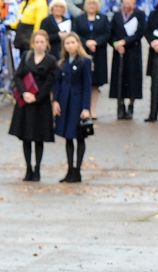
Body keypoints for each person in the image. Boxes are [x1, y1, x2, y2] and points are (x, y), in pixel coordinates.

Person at [8, 30, 57, 181]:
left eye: (42, 42)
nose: (39, 45)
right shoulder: (26, 56)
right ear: (33, 43)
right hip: (25, 103)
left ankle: (37, 169)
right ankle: (28, 168)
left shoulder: (51, 60)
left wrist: (37, 96)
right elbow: (17, 76)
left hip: (41, 104)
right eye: (37, 42)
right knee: (26, 137)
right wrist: (24, 93)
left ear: (46, 43)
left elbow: (50, 82)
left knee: (39, 137)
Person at [53, 32, 92, 183]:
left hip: (77, 102)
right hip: (64, 102)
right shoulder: (62, 62)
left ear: (78, 44)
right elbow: (57, 83)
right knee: (68, 137)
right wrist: (55, 101)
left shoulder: (84, 61)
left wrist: (86, 107)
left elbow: (87, 86)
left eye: (72, 42)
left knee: (79, 136)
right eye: (67, 43)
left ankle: (78, 170)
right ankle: (69, 170)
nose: (70, 45)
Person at [72, 0, 110, 119]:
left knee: (95, 83)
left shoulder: (103, 18)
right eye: (89, 4)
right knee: (82, 81)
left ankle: (93, 109)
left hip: (98, 54)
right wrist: (86, 43)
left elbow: (107, 33)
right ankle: (83, 108)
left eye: (94, 4)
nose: (91, 6)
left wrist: (96, 42)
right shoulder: (79, 19)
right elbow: (75, 34)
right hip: (82, 53)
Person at [109, 0, 145, 120]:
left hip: (133, 52)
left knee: (132, 79)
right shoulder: (117, 15)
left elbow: (140, 32)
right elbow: (111, 33)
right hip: (119, 52)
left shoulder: (139, 14)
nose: (128, 3)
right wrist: (116, 44)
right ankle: (120, 106)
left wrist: (125, 42)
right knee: (119, 78)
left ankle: (131, 105)